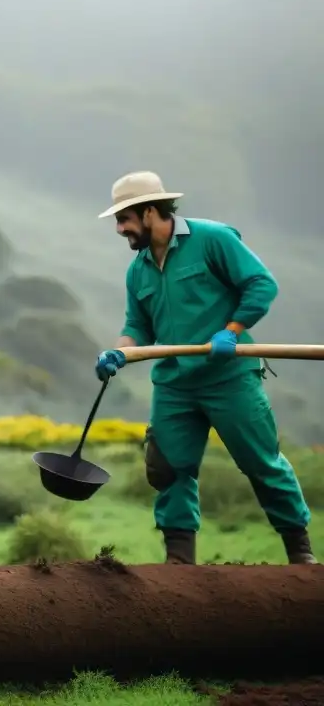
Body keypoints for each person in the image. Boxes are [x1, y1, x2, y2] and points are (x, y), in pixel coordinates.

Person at [94, 171, 315, 566]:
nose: (119, 228)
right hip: (174, 384)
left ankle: (300, 553)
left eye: (124, 218)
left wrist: (231, 331)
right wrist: (119, 353)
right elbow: (137, 327)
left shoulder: (213, 239)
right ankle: (180, 563)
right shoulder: (138, 270)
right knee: (168, 470)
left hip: (229, 378)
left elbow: (261, 285)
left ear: (149, 212)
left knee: (262, 463)